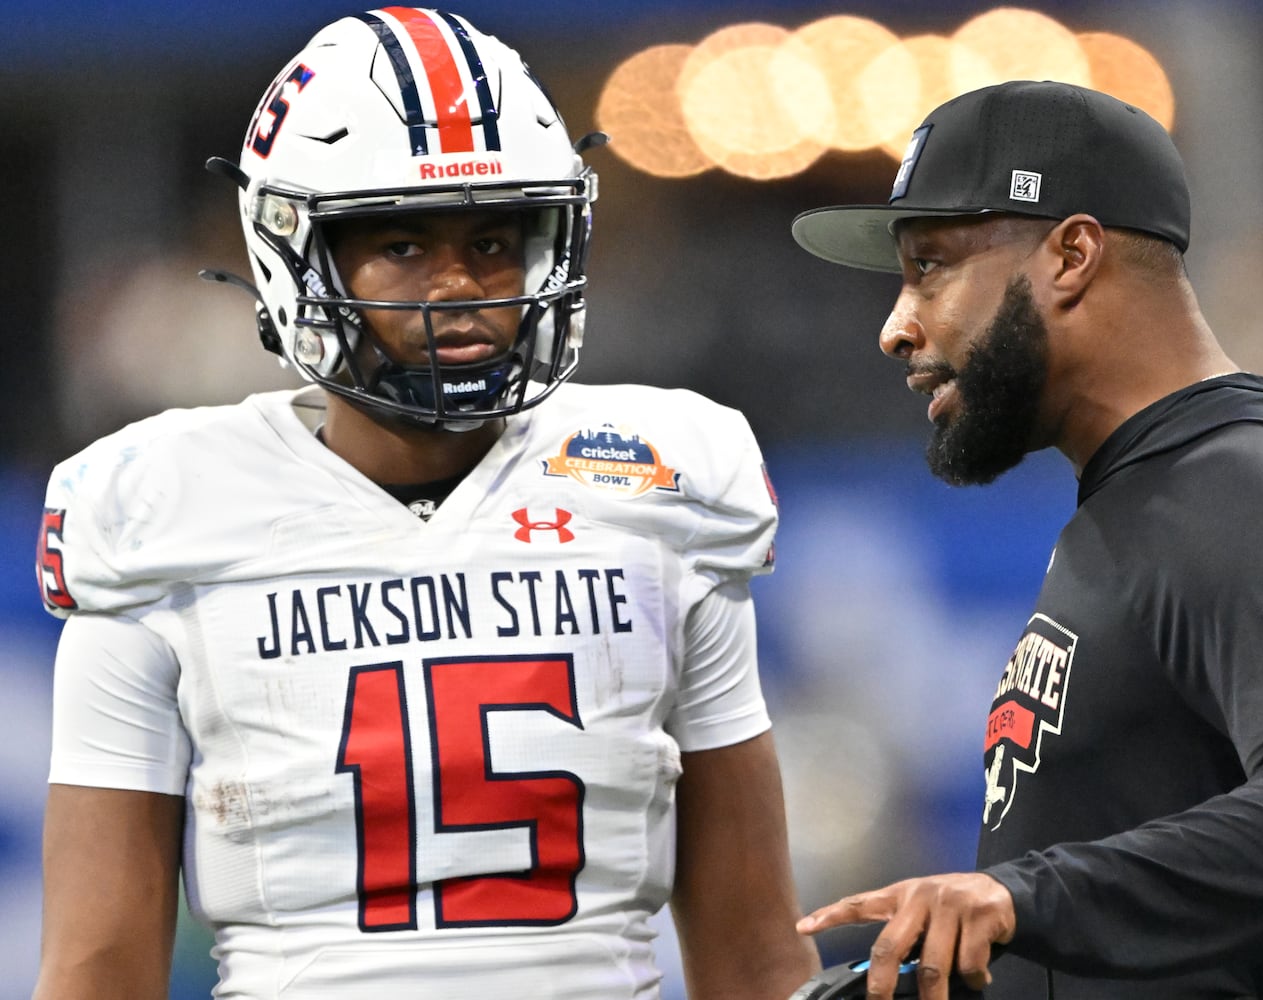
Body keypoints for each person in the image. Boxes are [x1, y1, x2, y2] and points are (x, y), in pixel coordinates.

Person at [32, 8, 818, 999]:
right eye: (402, 244)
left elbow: (753, 955)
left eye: (494, 240)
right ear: (293, 253)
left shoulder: (662, 486)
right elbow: (98, 969)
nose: (459, 285)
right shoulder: (157, 515)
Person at [788, 81, 1263, 999]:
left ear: (1071, 254)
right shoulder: (1154, 493)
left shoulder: (1244, 487)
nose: (896, 326)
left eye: (929, 266)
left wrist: (1018, 899)